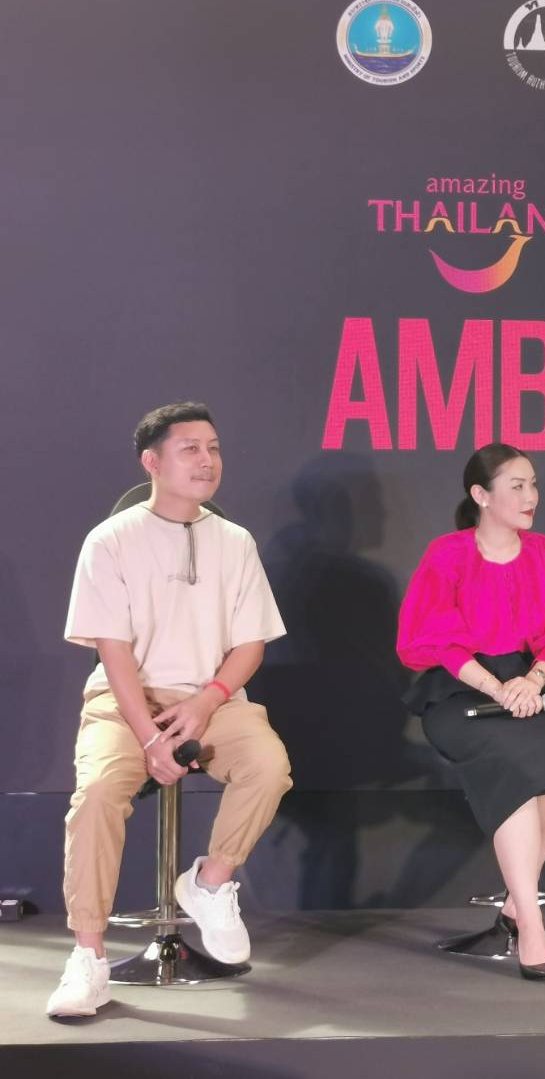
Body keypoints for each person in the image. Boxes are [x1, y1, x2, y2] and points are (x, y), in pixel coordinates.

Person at [48, 402, 292, 1019]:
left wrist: (208, 700)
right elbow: (112, 650)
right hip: (127, 699)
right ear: (152, 462)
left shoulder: (235, 541)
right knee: (97, 794)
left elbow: (251, 644)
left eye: (213, 448)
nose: (207, 460)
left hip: (213, 698)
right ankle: (88, 958)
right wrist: (150, 737)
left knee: (268, 765)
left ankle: (210, 883)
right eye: (190, 449)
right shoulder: (110, 540)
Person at [398, 444, 545, 981]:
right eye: (517, 485)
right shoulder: (447, 554)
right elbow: (436, 640)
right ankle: (532, 928)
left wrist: (533, 679)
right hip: (461, 689)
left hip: (536, 686)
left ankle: (517, 907)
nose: (531, 496)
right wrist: (497, 687)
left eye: (533, 483)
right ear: (481, 495)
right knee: (515, 764)